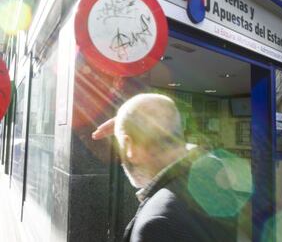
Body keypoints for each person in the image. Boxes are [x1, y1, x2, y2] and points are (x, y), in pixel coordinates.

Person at [92, 93, 238, 242]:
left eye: (120, 145)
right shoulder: (212, 173)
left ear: (130, 146)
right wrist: (131, 126)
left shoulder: (155, 224)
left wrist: (130, 129)